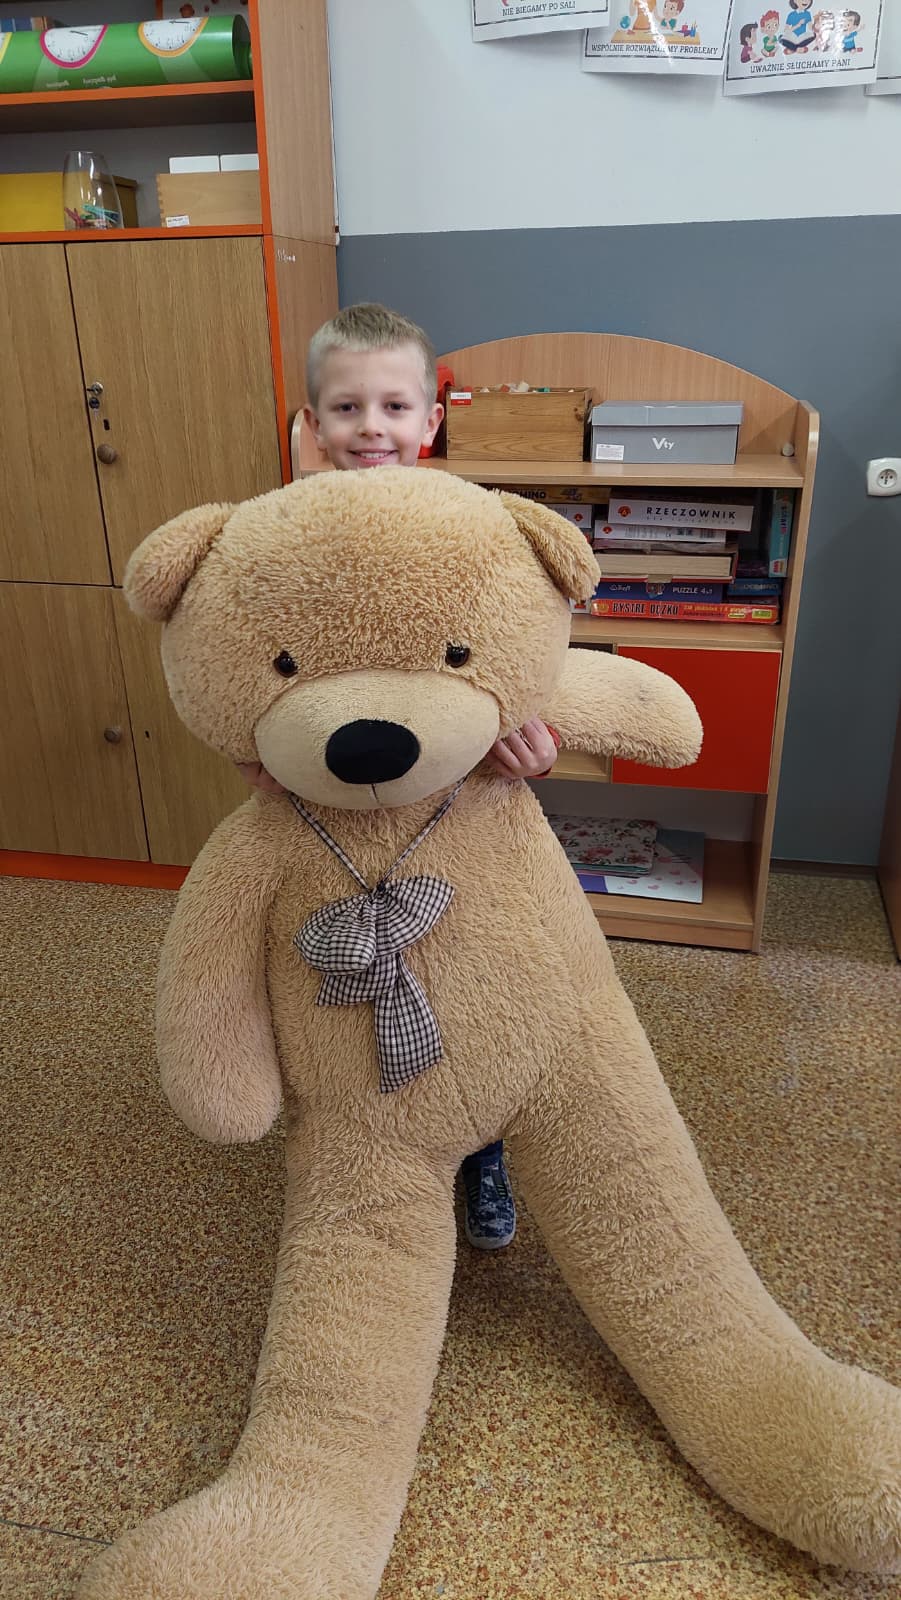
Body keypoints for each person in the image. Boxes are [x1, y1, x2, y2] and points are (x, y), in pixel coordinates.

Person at [240, 303, 562, 1249]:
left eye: (392, 406)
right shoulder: (277, 538)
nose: (370, 428)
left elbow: (522, 660)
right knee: (338, 982)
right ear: (312, 423)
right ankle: (361, 1144)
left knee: (467, 980)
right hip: (330, 817)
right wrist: (249, 750)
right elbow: (241, 667)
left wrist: (538, 743)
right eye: (345, 408)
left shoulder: (475, 533)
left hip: (459, 811)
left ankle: (482, 1146)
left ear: (431, 419)